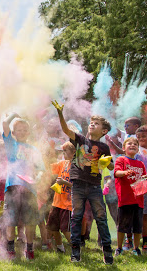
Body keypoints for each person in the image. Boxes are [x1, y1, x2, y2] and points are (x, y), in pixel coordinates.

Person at [52, 100, 114, 265]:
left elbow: (112, 165)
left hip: (94, 186)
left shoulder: (104, 147)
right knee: (76, 217)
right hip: (78, 185)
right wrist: (60, 113)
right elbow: (66, 129)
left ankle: (107, 251)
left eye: (97, 123)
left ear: (104, 130)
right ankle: (75, 251)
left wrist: (106, 161)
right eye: (91, 122)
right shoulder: (79, 139)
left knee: (101, 217)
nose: (92, 124)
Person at [2, 113, 45, 260]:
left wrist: (38, 177)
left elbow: (40, 168)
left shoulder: (34, 150)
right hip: (13, 186)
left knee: (30, 221)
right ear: (13, 133)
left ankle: (29, 248)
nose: (21, 132)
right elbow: (5, 124)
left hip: (30, 188)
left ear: (29, 132)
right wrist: (14, 114)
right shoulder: (10, 144)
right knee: (11, 220)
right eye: (18, 129)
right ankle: (10, 249)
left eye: (24, 129)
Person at [113, 137, 147, 257]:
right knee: (122, 225)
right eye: (129, 144)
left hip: (138, 200)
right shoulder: (121, 159)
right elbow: (117, 173)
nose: (132, 145)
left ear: (138, 149)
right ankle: (119, 248)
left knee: (137, 227)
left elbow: (143, 179)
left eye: (135, 144)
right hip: (125, 199)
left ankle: (136, 248)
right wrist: (125, 172)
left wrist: (146, 178)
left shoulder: (140, 164)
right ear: (123, 148)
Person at [46, 141, 75, 253]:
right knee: (52, 227)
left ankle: (75, 249)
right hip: (57, 202)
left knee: (65, 229)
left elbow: (77, 187)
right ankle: (60, 248)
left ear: (73, 153)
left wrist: (64, 182)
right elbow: (48, 167)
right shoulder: (63, 163)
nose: (63, 153)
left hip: (68, 204)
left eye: (65, 151)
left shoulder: (77, 167)